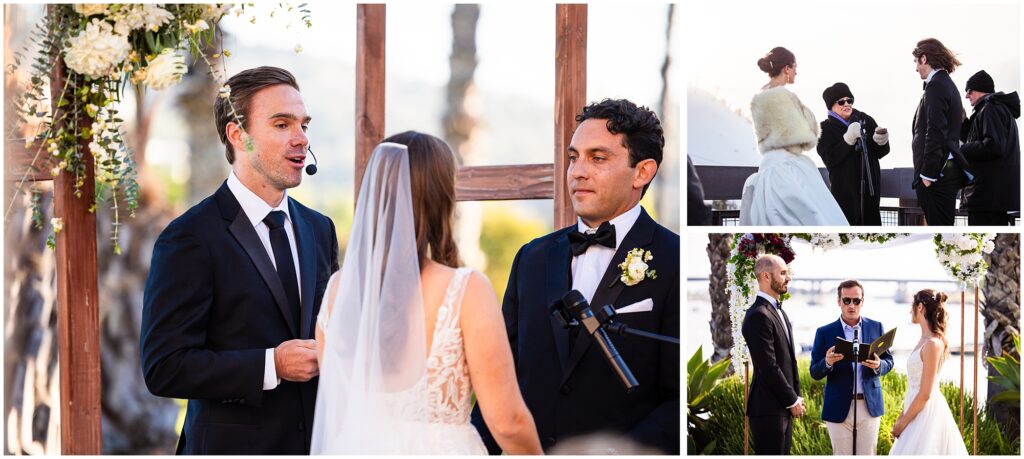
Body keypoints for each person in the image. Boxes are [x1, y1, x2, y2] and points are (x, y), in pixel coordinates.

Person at [141, 66, 340, 454]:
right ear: (238, 136)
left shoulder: (320, 229)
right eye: (282, 125)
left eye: (303, 125)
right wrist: (272, 365)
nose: (301, 139)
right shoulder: (189, 237)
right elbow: (164, 368)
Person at [310, 133, 542, 454]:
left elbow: (336, 407)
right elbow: (508, 423)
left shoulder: (339, 290)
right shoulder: (466, 290)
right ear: (440, 198)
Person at [472, 99, 680, 454]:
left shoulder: (674, 258)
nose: (578, 172)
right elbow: (500, 379)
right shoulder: (531, 258)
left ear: (642, 172)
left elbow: (676, 400)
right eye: (574, 157)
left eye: (597, 158)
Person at [740, 46, 849, 225]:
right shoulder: (784, 96)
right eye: (795, 67)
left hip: (768, 165)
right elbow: (802, 137)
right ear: (786, 69)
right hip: (787, 167)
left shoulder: (758, 97)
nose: (796, 72)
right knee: (812, 212)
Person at [809, 280, 894, 455]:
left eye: (856, 300)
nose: (851, 305)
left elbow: (889, 361)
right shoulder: (824, 332)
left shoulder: (876, 327)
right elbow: (814, 372)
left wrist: (879, 365)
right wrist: (827, 362)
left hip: (869, 405)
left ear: (862, 301)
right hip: (838, 406)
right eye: (846, 300)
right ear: (839, 301)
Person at [889, 290, 969, 455]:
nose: (909, 311)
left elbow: (925, 393)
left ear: (920, 307)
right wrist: (902, 416)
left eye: (912, 307)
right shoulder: (923, 342)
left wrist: (902, 423)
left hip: (927, 415)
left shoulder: (932, 344)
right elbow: (914, 387)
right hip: (914, 410)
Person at [742, 254, 803, 455]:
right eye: (783, 273)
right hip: (768, 409)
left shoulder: (779, 311)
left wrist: (796, 395)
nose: (788, 278)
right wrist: (791, 400)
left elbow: (789, 360)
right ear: (766, 276)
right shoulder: (758, 315)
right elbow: (768, 366)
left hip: (782, 407)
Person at [911, 38, 973, 226]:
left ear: (924, 58)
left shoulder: (937, 85)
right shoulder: (945, 83)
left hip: (938, 176)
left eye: (915, 62)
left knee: (939, 231)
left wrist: (928, 175)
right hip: (946, 172)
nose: (915, 68)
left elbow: (935, 131)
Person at [816, 83, 891, 225]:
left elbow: (881, 152)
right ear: (831, 106)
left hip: (870, 190)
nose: (847, 104)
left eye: (849, 100)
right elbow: (830, 158)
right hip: (845, 192)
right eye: (841, 102)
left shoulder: (865, 119)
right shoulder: (824, 129)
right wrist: (848, 140)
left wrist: (881, 141)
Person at [959, 70, 1021, 225]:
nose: (967, 96)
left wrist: (960, 150)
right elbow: (979, 139)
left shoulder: (991, 109)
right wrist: (962, 122)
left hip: (987, 196)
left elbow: (994, 146)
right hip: (992, 197)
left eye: (969, 91)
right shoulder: (992, 109)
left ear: (980, 89)